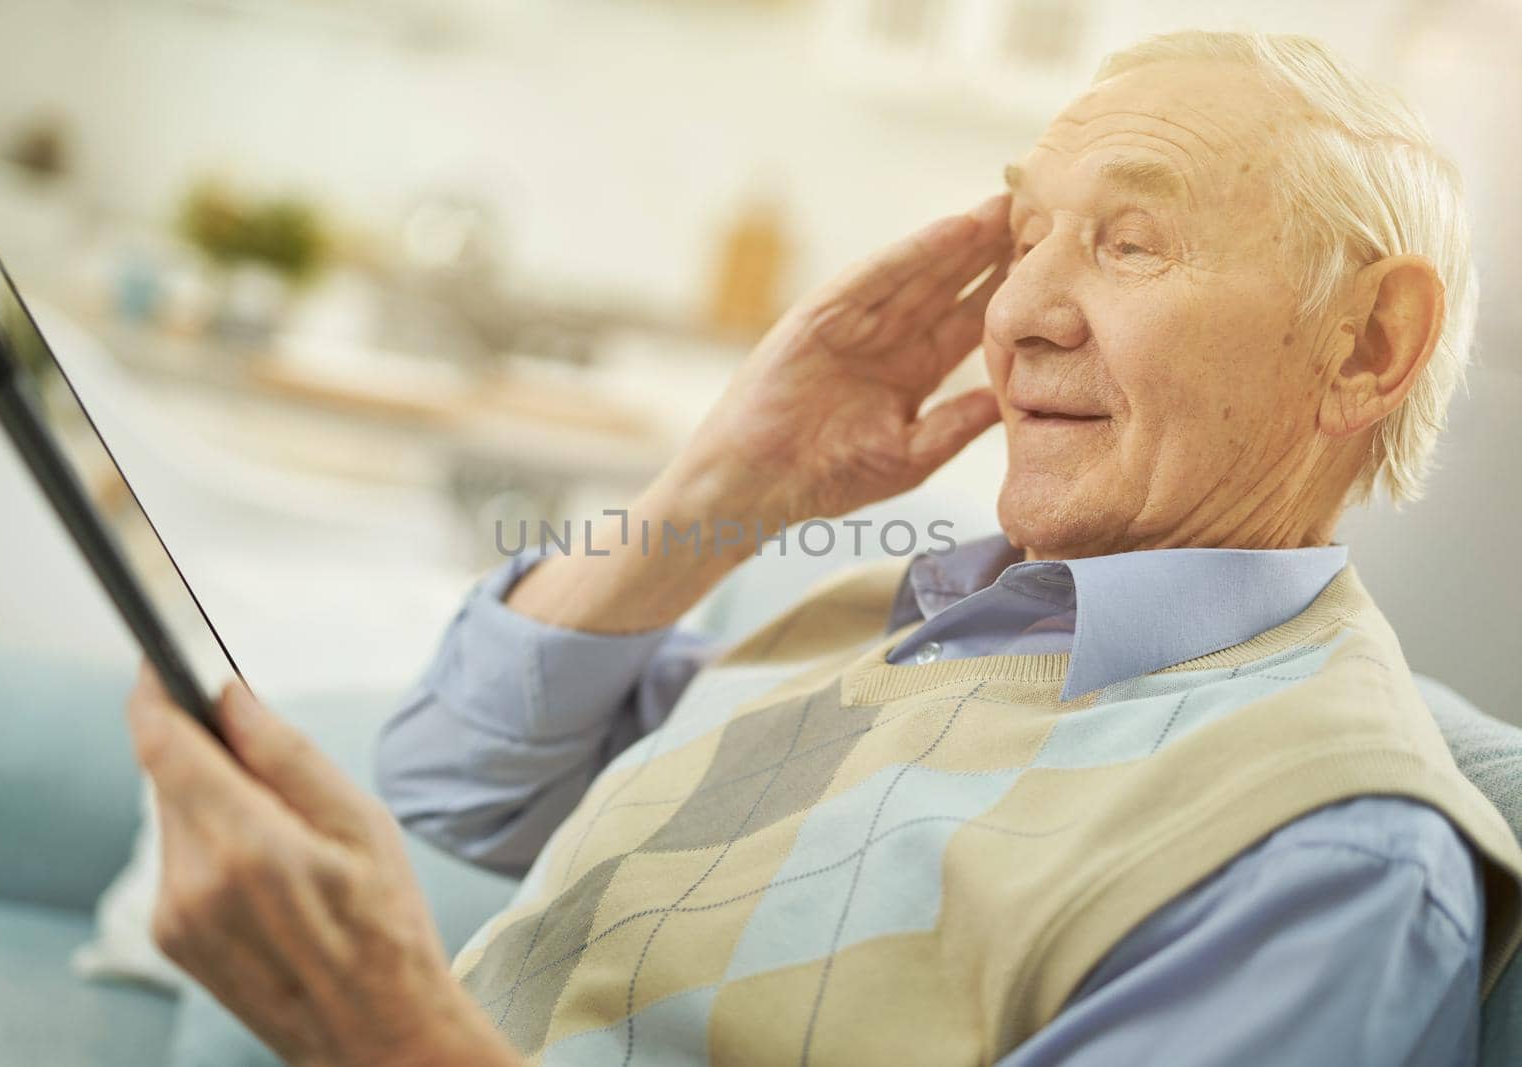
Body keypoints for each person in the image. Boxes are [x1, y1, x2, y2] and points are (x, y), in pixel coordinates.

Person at [127, 29, 1522, 1067]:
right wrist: (734, 472)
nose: (1019, 313)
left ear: (1365, 346)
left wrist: (396, 1039)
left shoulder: (1333, 863)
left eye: (1130, 243)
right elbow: (462, 776)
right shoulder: (916, 618)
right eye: (1025, 238)